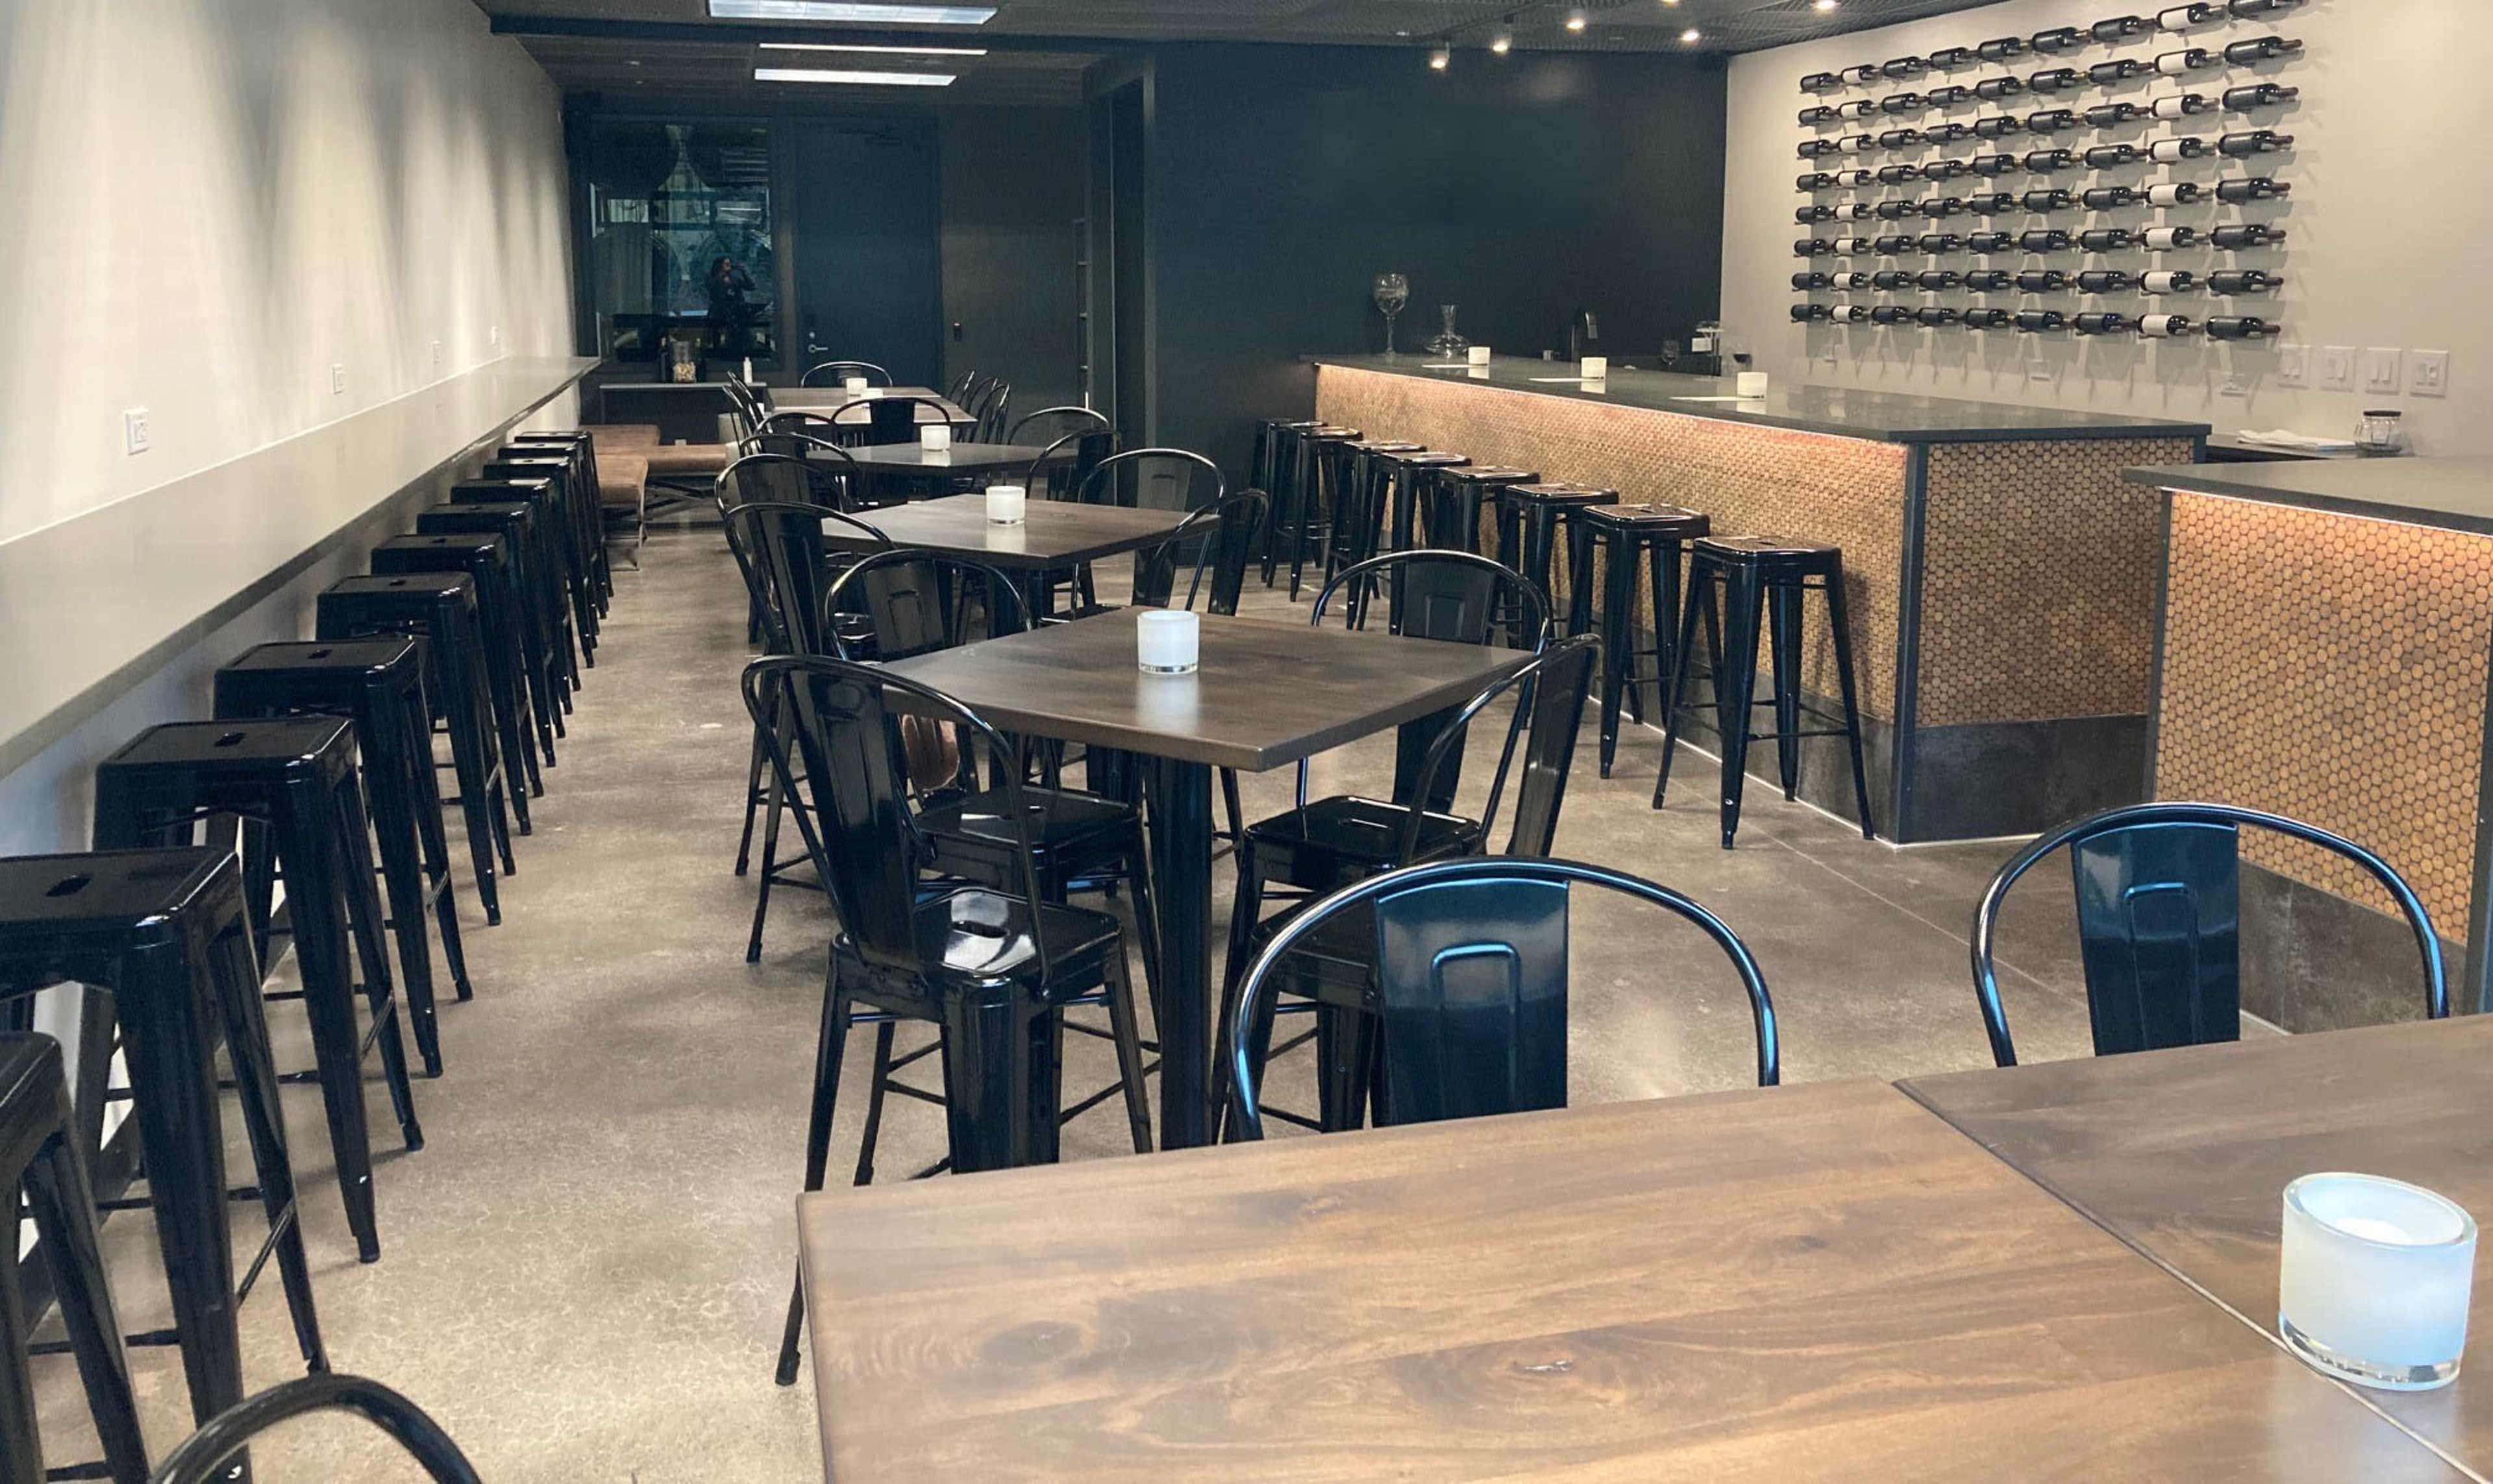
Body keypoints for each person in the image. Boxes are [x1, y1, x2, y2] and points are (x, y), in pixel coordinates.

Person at [707, 256, 756, 356]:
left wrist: (744, 273)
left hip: (737, 311)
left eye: (729, 264)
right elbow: (714, 293)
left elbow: (751, 286)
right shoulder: (713, 279)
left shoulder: (734, 278)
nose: (729, 266)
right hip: (721, 311)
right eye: (726, 264)